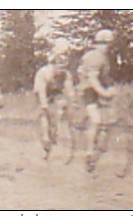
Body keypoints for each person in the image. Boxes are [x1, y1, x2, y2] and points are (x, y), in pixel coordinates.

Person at [77, 29, 117, 172]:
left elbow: (104, 76)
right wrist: (104, 93)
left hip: (97, 89)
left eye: (108, 44)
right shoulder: (94, 57)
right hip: (88, 90)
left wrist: (111, 86)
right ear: (97, 44)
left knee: (109, 119)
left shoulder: (105, 57)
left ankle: (97, 137)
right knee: (96, 120)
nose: (106, 46)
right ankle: (89, 153)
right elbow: (93, 79)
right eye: (103, 43)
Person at [34, 46, 75, 162]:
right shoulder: (43, 73)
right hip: (43, 91)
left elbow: (69, 90)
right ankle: (45, 138)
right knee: (44, 114)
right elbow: (41, 92)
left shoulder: (66, 74)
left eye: (63, 67)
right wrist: (44, 106)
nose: (60, 69)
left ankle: (58, 131)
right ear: (53, 64)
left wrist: (72, 101)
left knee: (61, 107)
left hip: (57, 93)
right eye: (58, 66)